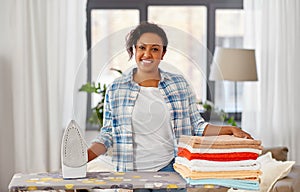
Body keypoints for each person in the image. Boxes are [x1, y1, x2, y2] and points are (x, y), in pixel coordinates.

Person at [87, 22, 253, 173]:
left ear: (163, 53)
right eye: (142, 48)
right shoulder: (116, 89)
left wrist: (229, 129)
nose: (147, 54)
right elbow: (108, 134)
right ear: (134, 50)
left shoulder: (179, 84)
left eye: (155, 49)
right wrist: (83, 158)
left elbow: (196, 125)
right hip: (130, 173)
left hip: (172, 169)